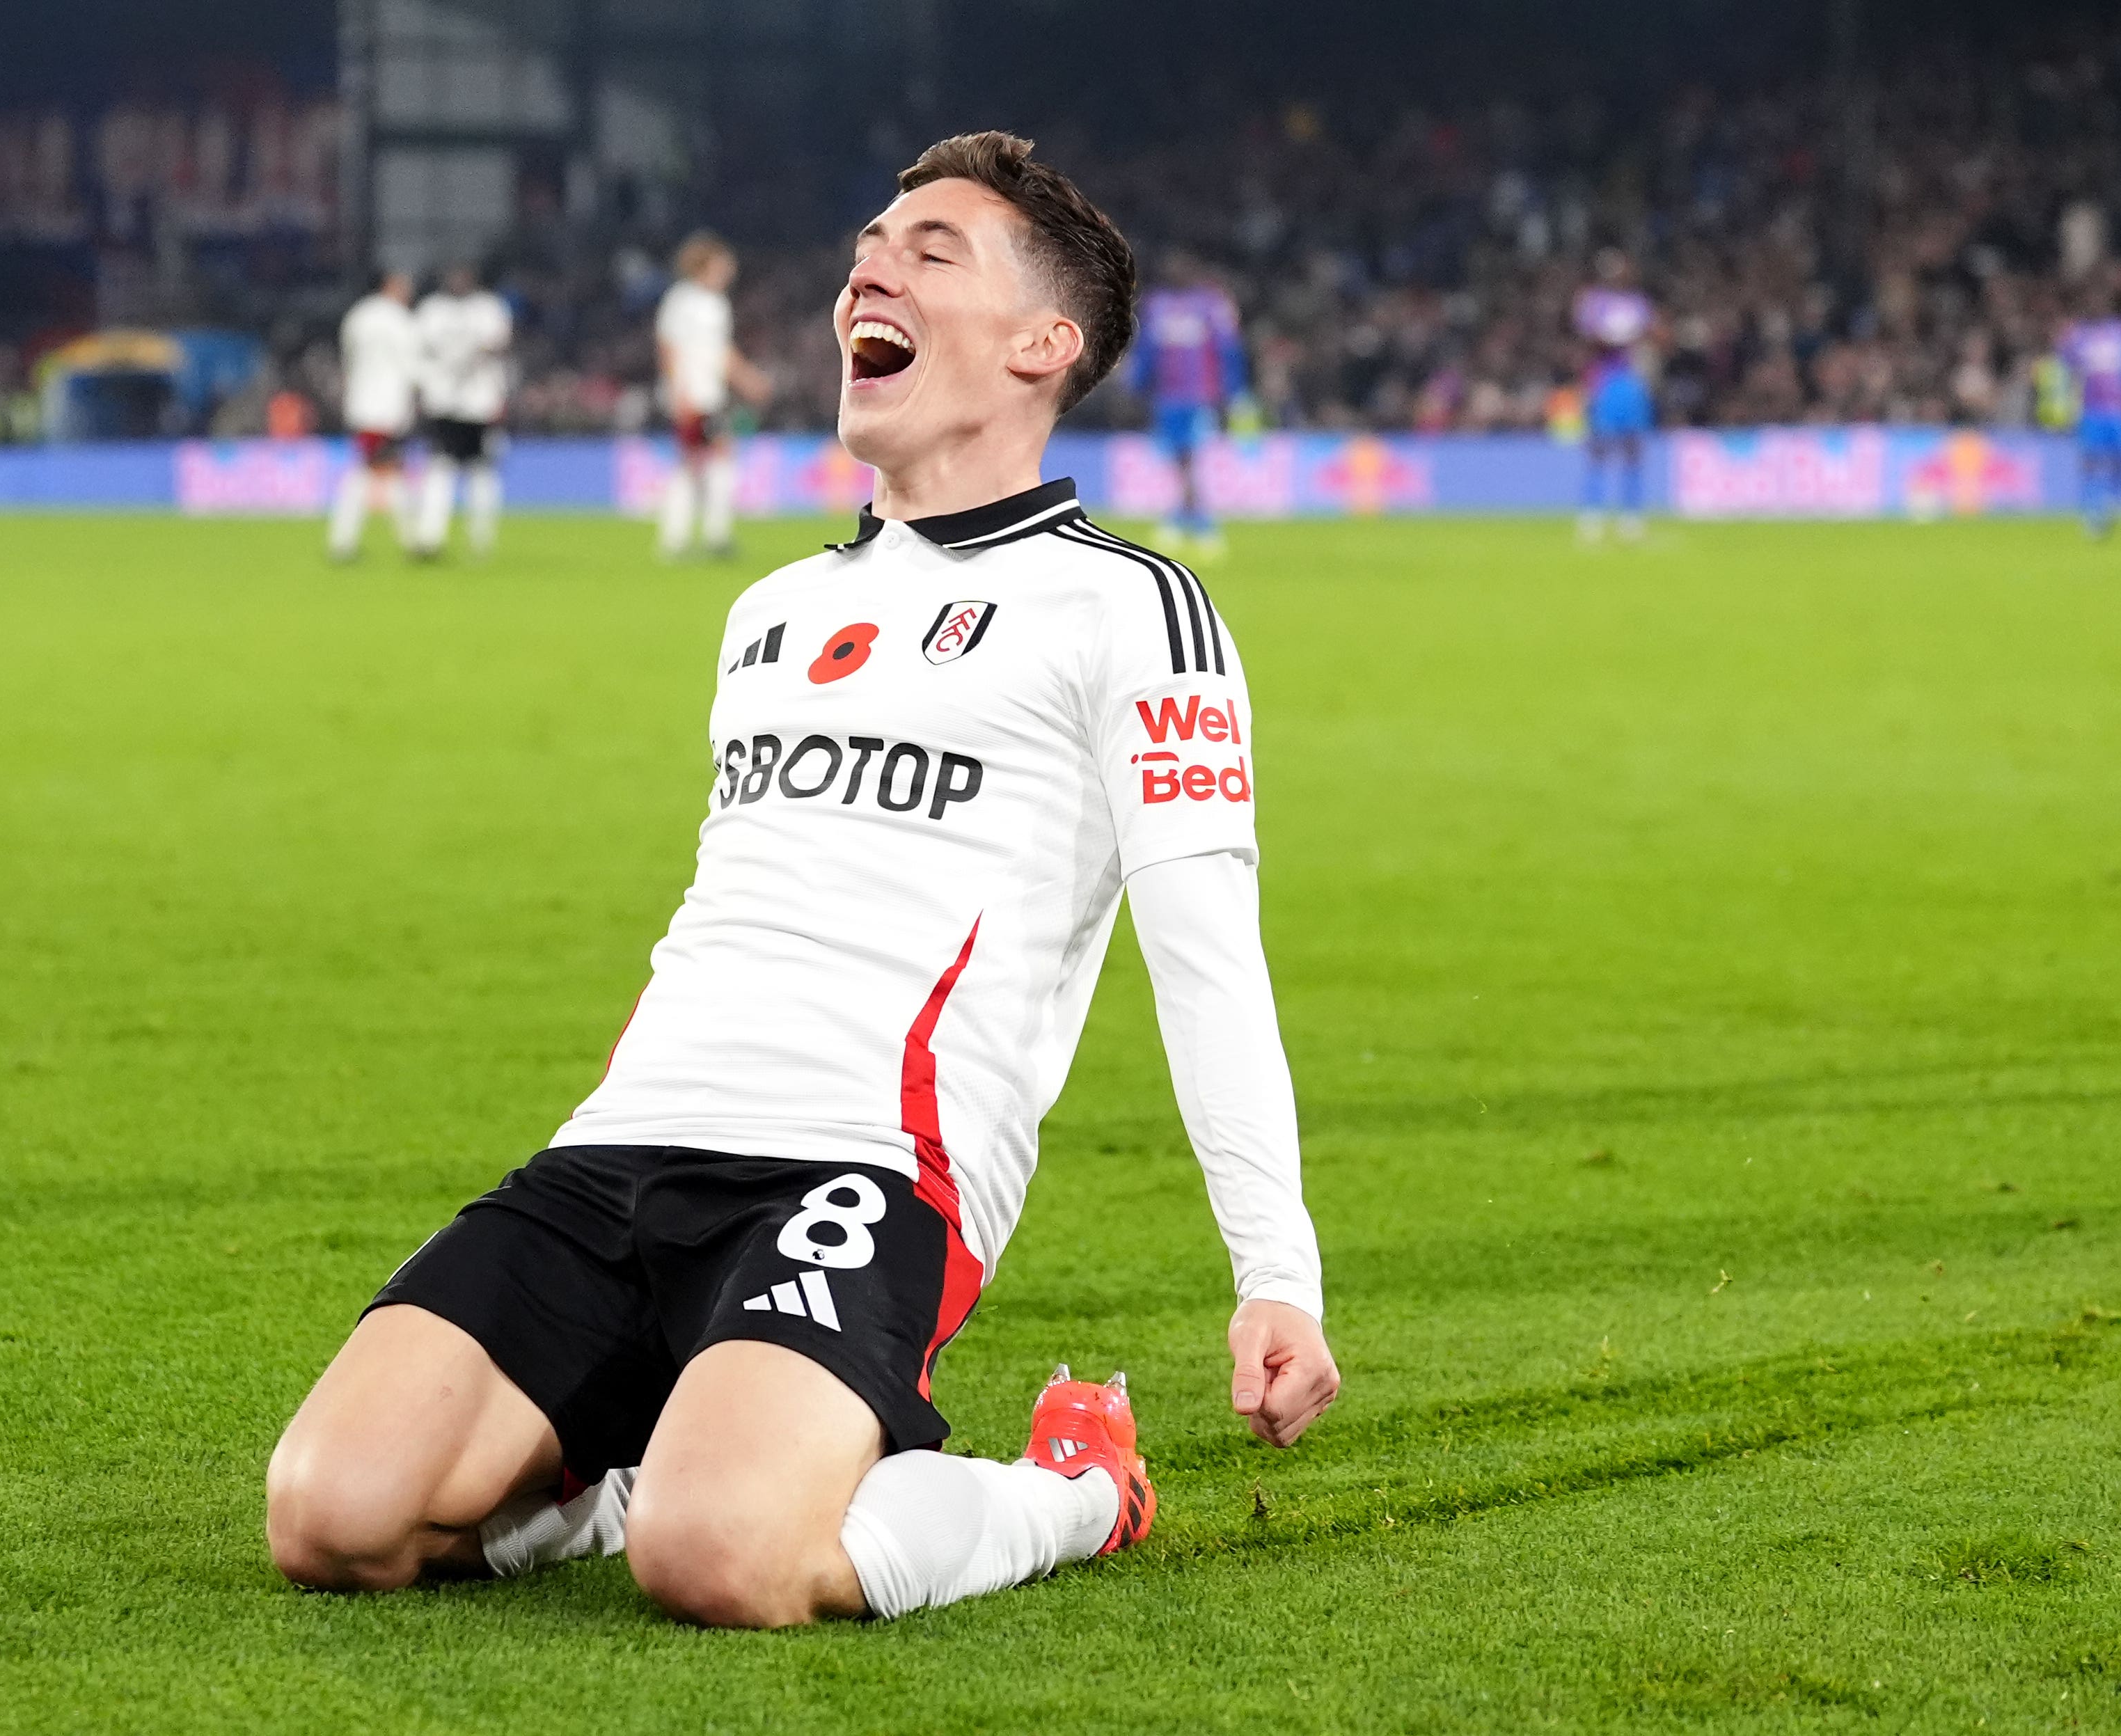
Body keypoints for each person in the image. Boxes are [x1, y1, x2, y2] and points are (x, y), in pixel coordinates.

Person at [265, 131, 1337, 1630]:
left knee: (721, 1562)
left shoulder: (1127, 606)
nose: (867, 268)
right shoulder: (773, 610)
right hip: (622, 1152)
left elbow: (1206, 944)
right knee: (330, 1515)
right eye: (867, 243)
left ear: (1047, 343)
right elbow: (726, 915)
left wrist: (1273, 1269)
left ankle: (1076, 1486)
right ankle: (631, 1463)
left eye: (929, 249)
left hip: (866, 1169)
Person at [655, 232, 768, 558]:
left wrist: (748, 379)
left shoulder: (717, 305)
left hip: (711, 395)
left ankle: (702, 537)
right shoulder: (682, 301)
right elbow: (669, 349)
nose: (728, 273)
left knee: (710, 461)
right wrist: (679, 393)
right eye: (723, 266)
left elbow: (721, 353)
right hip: (691, 395)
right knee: (700, 463)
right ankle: (685, 538)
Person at [1129, 252, 1247, 553]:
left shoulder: (1209, 305)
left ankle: (1197, 524)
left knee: (1190, 459)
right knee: (1179, 459)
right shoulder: (1157, 306)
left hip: (1199, 396)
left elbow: (1227, 349)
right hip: (1168, 397)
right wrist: (1140, 385)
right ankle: (1190, 520)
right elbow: (1147, 351)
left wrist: (1229, 390)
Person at [411, 261, 514, 558]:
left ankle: (481, 539)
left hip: (480, 403)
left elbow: (502, 344)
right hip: (443, 401)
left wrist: (475, 358)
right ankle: (430, 537)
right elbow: (419, 351)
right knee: (440, 467)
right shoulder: (432, 310)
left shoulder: (488, 308)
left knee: (482, 471)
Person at [326, 269, 422, 561]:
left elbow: (348, 359)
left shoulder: (358, 316)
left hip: (361, 405)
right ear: (391, 285)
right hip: (389, 406)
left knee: (374, 469)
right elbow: (413, 365)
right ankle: (409, 540)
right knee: (383, 470)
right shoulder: (402, 320)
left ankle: (346, 540)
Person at [1572, 249, 1656, 543]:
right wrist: (1618, 338)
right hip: (1604, 382)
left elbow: (1654, 336)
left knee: (1634, 450)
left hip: (1634, 382)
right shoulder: (1593, 302)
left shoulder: (1638, 303)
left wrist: (1631, 338)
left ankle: (1631, 518)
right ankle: (1592, 517)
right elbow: (1591, 339)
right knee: (1599, 449)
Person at [2058, 287, 2121, 540]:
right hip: (2092, 411)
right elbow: (2063, 372)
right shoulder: (2077, 337)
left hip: (2120, 410)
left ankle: (2108, 501)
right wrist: (2064, 409)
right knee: (2092, 463)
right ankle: (2092, 512)